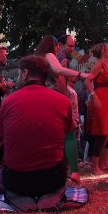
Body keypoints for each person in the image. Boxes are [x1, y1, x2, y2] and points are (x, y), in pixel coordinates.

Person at [0, 55, 73, 200]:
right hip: (52, 181)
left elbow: (3, 137)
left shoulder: (8, 102)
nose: (18, 77)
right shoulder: (64, 102)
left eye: (19, 73)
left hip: (16, 184)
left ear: (25, 73)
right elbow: (68, 136)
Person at [35, 35, 88, 182]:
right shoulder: (53, 55)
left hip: (43, 97)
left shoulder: (38, 58)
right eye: (69, 45)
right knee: (68, 132)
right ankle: (72, 171)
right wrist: (81, 73)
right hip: (54, 97)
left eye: (73, 46)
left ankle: (54, 169)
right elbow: (59, 73)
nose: (72, 48)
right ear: (59, 45)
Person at [85, 43, 108, 173]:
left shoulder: (106, 65)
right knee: (101, 133)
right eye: (107, 48)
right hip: (100, 101)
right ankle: (95, 166)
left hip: (107, 102)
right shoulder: (99, 64)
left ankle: (106, 162)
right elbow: (88, 81)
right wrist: (94, 96)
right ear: (103, 51)